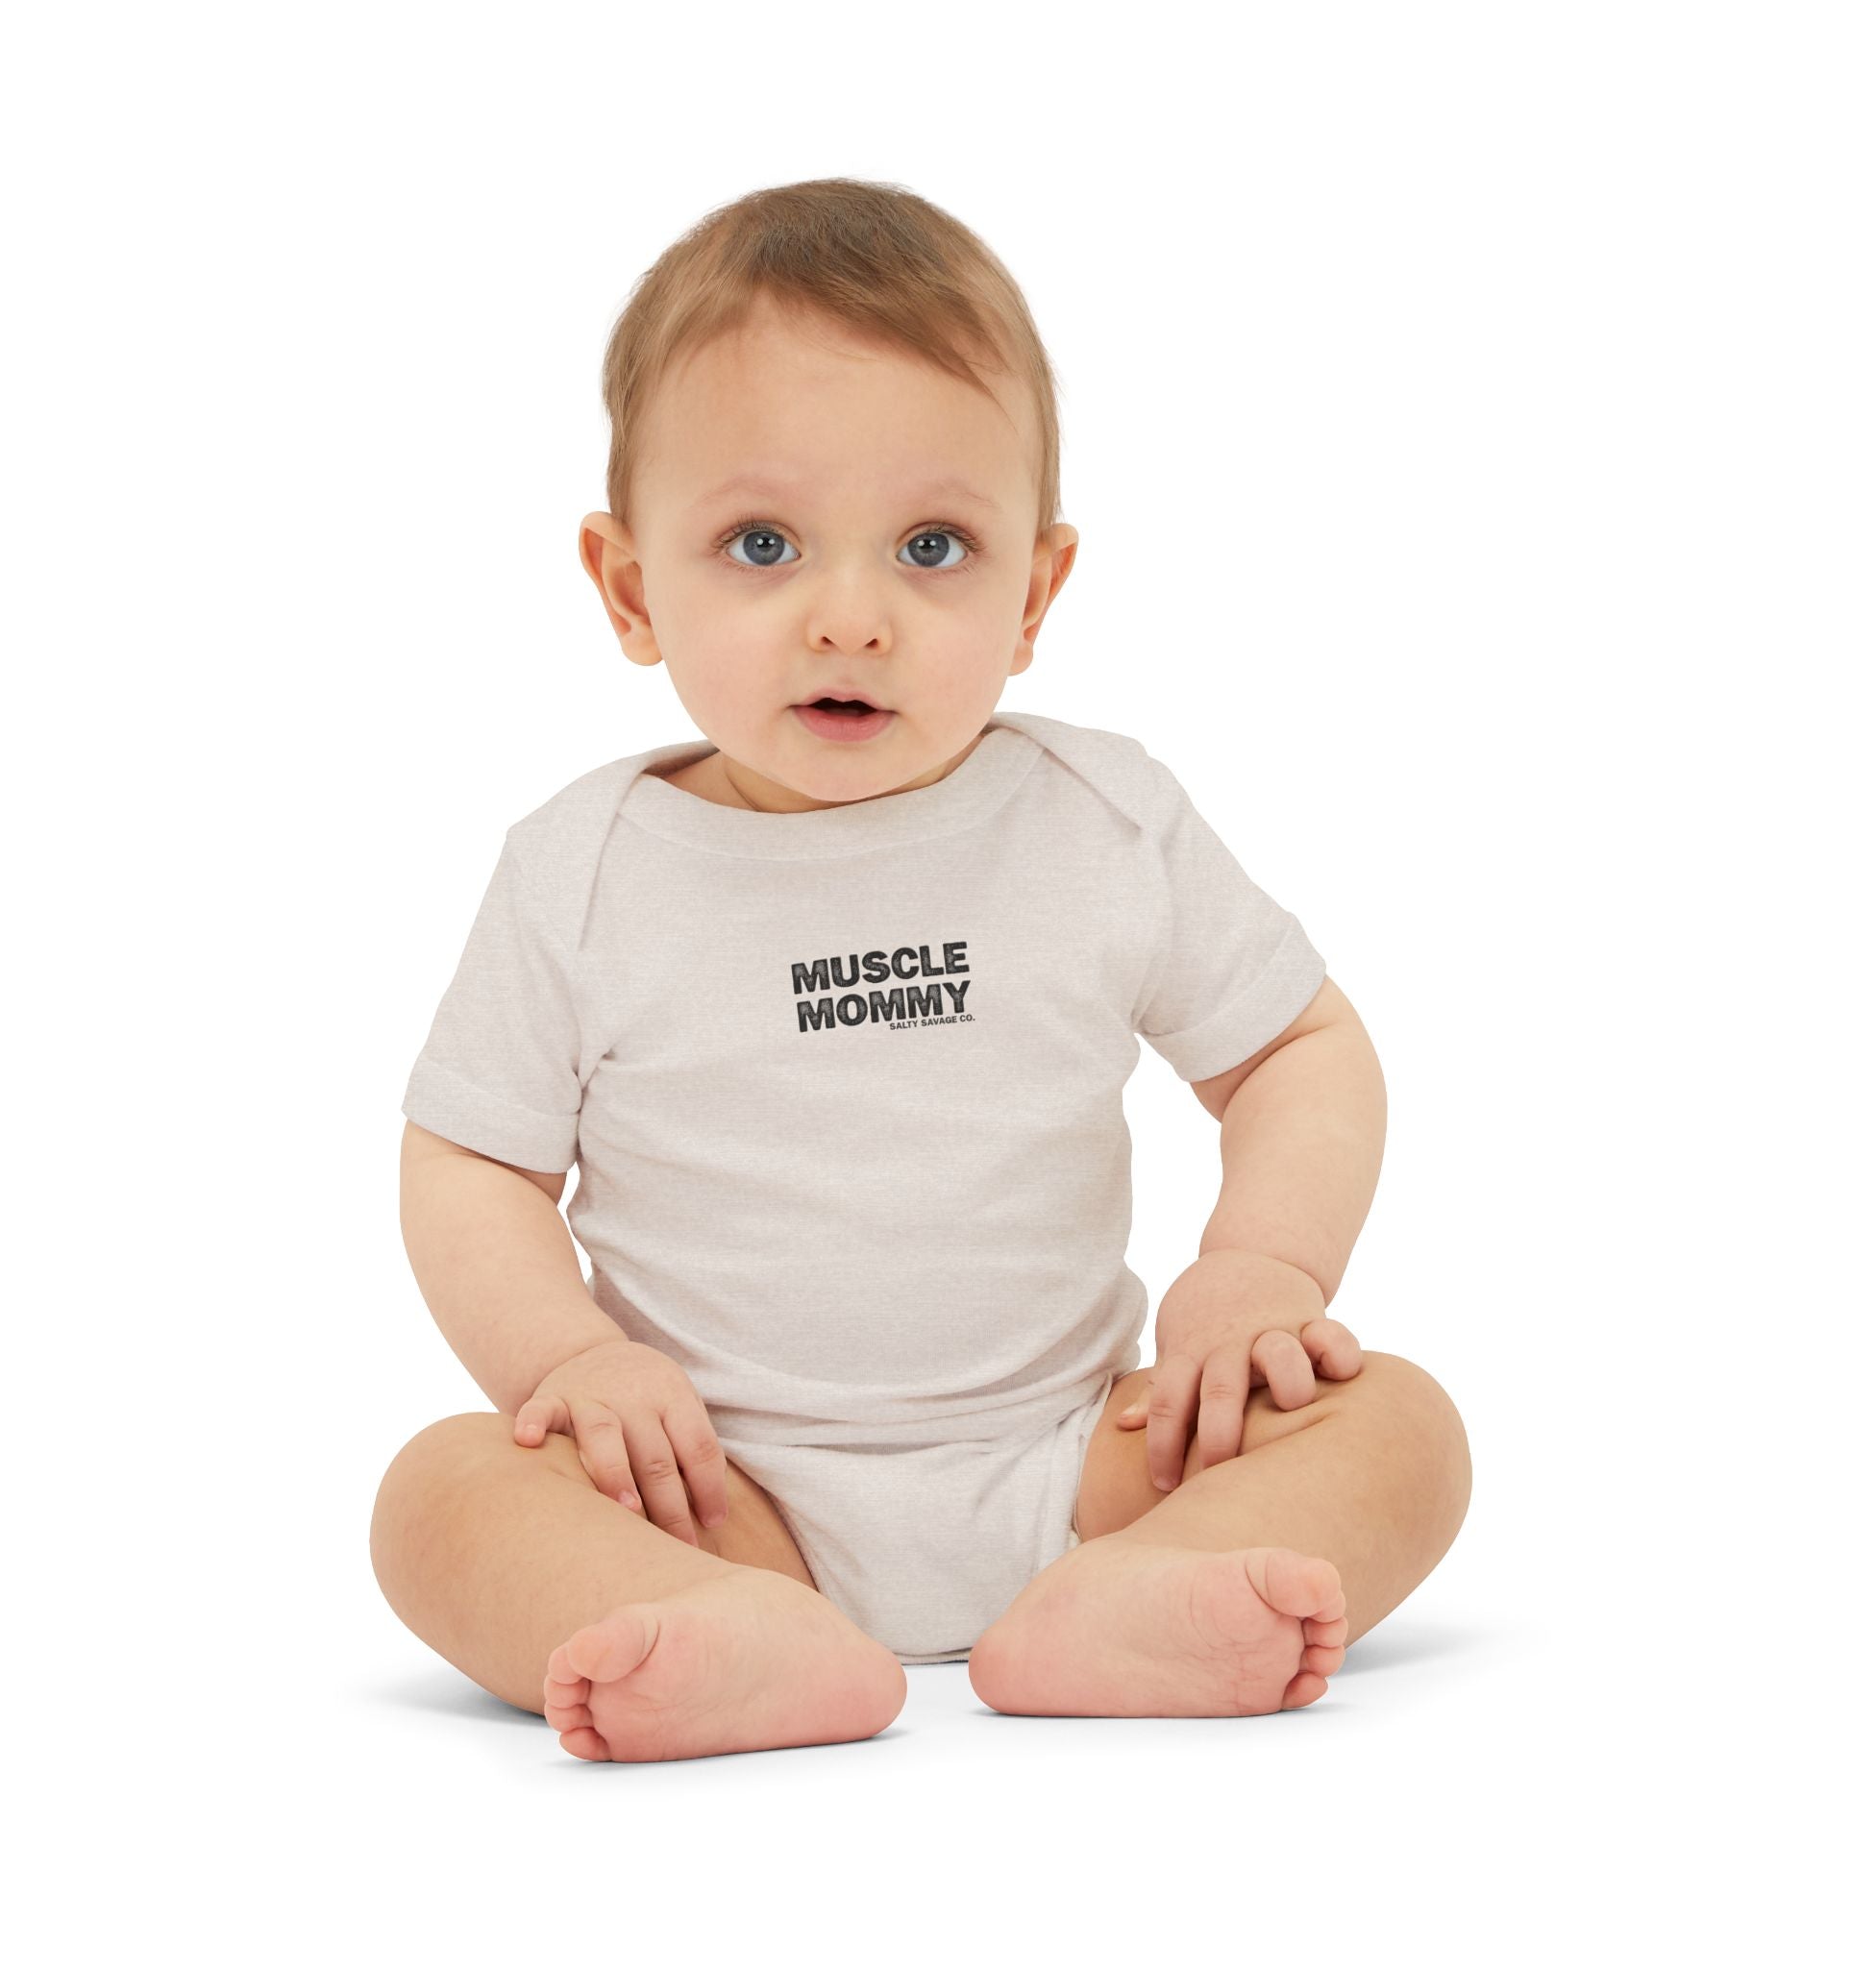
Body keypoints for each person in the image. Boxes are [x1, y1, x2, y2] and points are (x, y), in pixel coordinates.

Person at [369, 177, 1471, 1763]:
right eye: (762, 545)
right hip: (711, 1488)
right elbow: (472, 1159)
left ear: (1033, 594)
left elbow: (1297, 1048)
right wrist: (572, 1364)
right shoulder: (582, 871)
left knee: (1402, 1425)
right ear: (629, 588)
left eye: (933, 547)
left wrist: (1264, 1272)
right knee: (440, 1494)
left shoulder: (1099, 819)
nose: (852, 620)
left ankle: (1137, 1595)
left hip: (1088, 1455)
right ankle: (735, 1627)